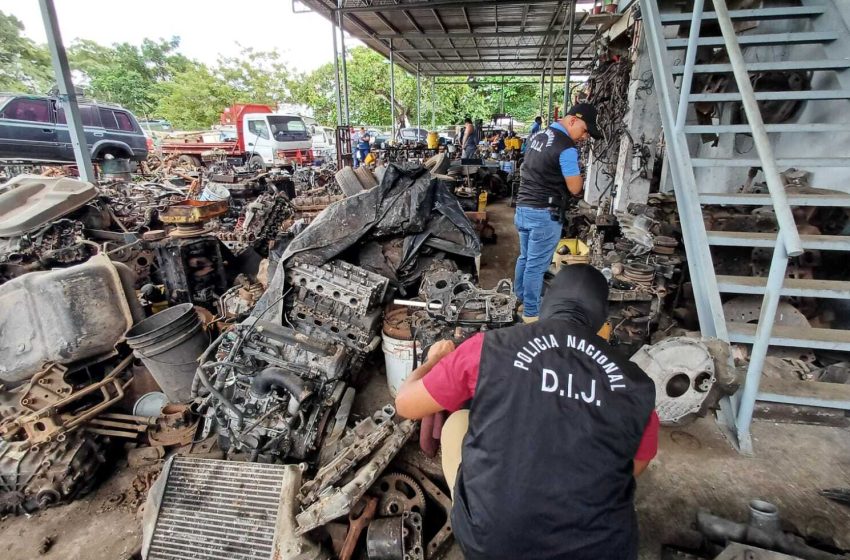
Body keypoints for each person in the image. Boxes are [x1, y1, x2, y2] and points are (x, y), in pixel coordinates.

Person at [395, 264, 659, 560]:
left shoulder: (489, 348)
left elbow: (406, 403)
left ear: (547, 303)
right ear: (601, 318)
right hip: (602, 549)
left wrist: (436, 360)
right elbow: (633, 467)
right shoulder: (638, 385)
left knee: (457, 422)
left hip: (493, 542)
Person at [514, 102, 602, 322]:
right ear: (573, 120)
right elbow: (575, 188)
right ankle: (531, 314)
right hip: (544, 213)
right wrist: (579, 173)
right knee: (536, 266)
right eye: (584, 131)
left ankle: (520, 298)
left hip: (523, 208)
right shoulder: (566, 147)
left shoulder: (537, 136)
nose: (584, 137)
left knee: (525, 258)